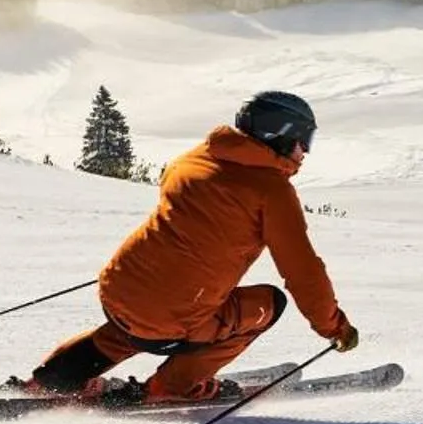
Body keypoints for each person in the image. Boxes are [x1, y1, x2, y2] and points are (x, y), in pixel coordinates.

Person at [26, 91, 360, 402]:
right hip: (172, 316)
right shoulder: (272, 191)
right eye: (305, 141)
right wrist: (334, 327)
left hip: (119, 289)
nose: (306, 152)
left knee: (131, 327)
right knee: (269, 304)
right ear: (282, 136)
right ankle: (172, 386)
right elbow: (303, 271)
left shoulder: (192, 159)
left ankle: (51, 379)